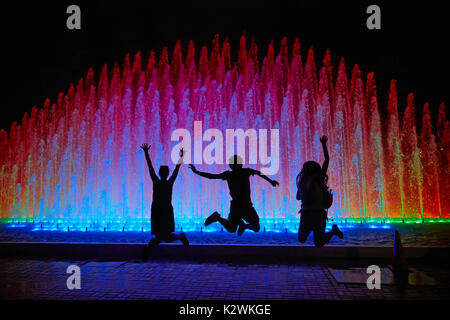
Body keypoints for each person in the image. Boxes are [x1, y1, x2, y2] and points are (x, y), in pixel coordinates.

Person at [189, 155, 279, 236]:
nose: (237, 165)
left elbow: (212, 176)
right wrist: (270, 181)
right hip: (240, 205)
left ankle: (241, 225)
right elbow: (211, 176)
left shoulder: (240, 173)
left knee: (247, 228)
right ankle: (219, 218)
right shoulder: (239, 173)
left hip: (243, 205)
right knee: (245, 228)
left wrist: (270, 181)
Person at [296, 135, 343, 247]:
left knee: (319, 243)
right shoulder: (302, 182)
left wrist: (323, 145)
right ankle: (318, 229)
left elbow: (326, 161)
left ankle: (333, 231)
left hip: (318, 213)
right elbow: (298, 197)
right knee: (302, 239)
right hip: (306, 213)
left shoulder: (319, 178)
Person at [141, 143, 189, 247]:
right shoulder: (169, 182)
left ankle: (179, 237)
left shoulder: (156, 182)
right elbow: (176, 169)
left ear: (159, 173)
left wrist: (146, 153)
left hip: (157, 210)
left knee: (161, 236)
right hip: (166, 209)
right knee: (163, 236)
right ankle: (179, 237)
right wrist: (182, 156)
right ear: (167, 173)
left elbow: (150, 168)